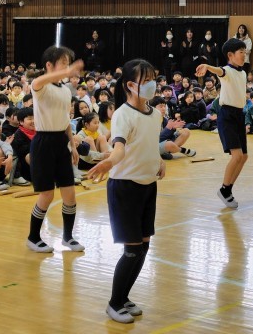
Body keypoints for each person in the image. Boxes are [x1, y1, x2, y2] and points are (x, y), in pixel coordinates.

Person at [86, 59, 165, 324]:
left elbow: (149, 143)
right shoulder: (122, 114)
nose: (153, 84)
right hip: (125, 188)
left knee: (143, 247)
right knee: (132, 251)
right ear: (131, 85)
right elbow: (119, 148)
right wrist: (108, 163)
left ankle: (124, 296)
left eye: (154, 78)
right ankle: (114, 303)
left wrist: (159, 160)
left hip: (148, 186)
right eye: (146, 80)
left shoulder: (155, 114)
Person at [26, 46, 85, 253]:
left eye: (69, 63)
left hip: (61, 142)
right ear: (49, 65)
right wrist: (68, 72)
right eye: (63, 63)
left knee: (70, 194)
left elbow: (65, 119)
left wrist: (72, 145)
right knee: (47, 195)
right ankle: (33, 237)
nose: (67, 67)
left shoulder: (66, 90)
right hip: (43, 142)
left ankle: (68, 237)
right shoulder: (40, 86)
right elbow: (37, 81)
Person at [196, 38, 248, 209]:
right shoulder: (227, 71)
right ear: (230, 55)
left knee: (244, 157)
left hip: (239, 115)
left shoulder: (243, 73)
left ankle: (228, 189)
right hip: (227, 116)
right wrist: (207, 66)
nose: (244, 55)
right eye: (241, 52)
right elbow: (220, 71)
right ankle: (224, 189)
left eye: (245, 52)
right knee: (237, 156)